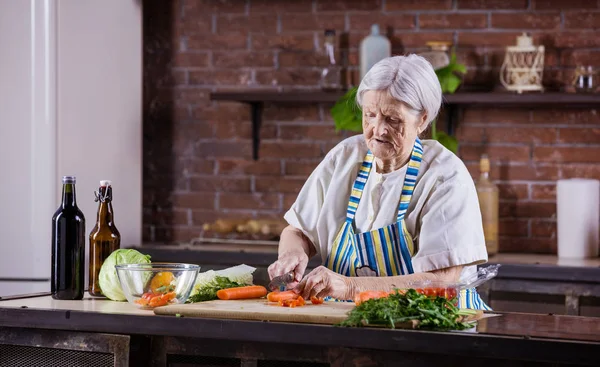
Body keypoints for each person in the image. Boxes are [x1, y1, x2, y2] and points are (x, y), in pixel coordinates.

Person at [268, 54, 491, 310]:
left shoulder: (445, 176)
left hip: (432, 325)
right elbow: (297, 231)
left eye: (392, 119)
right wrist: (293, 253)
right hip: (350, 321)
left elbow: (442, 281)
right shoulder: (345, 158)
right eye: (370, 115)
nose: (378, 129)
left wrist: (350, 287)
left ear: (422, 120)